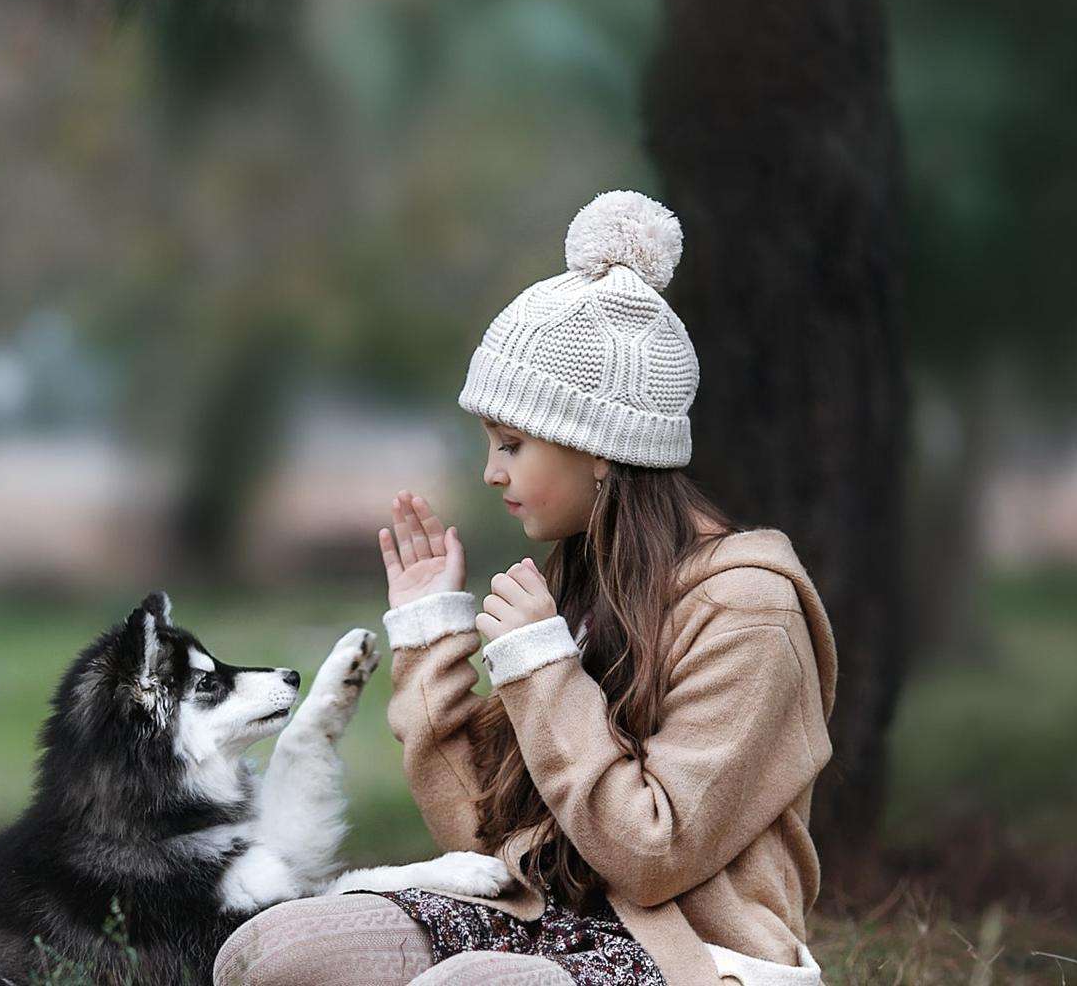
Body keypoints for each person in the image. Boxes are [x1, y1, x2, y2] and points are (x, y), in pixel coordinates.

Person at [215, 190, 837, 985]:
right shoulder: (578, 588)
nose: (491, 472)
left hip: (694, 958)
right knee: (270, 953)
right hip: (541, 925)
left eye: (512, 443)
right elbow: (487, 848)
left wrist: (544, 672)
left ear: (601, 449)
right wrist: (431, 644)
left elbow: (652, 857)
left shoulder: (751, 611)